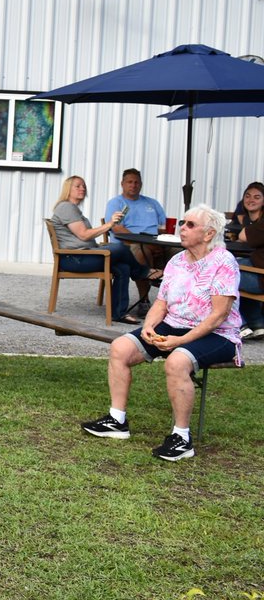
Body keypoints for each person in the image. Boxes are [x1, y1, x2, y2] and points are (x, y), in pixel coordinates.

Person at [81, 203, 243, 461]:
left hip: (219, 333)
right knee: (120, 348)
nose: (182, 228)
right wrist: (148, 326)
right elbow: (161, 302)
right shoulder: (177, 260)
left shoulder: (224, 262)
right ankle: (117, 421)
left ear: (209, 233)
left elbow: (218, 315)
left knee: (178, 361)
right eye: (182, 223)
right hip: (174, 324)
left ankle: (182, 438)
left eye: (190, 225)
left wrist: (182, 340)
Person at [50, 175, 146, 324]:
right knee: (120, 248)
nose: (82, 188)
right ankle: (143, 273)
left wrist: (109, 226)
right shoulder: (66, 207)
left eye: (84, 186)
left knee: (123, 267)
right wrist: (109, 224)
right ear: (68, 189)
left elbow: (85, 237)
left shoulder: (73, 209)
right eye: (78, 186)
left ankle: (118, 313)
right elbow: (83, 235)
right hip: (74, 259)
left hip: (83, 255)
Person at [104, 167, 168, 314]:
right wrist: (146, 243)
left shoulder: (152, 203)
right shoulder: (116, 203)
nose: (133, 185)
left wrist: (160, 242)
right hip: (129, 245)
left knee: (180, 253)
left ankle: (174, 302)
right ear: (122, 184)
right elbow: (116, 228)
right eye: (130, 182)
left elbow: (164, 226)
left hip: (157, 243)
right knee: (142, 252)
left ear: (141, 184)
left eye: (136, 182)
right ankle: (144, 301)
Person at [233, 182, 264, 339]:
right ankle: (258, 324)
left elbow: (243, 236)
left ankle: (240, 324)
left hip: (261, 277)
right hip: (257, 268)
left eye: (257, 197)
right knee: (234, 266)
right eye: (247, 196)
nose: (251, 199)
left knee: (221, 274)